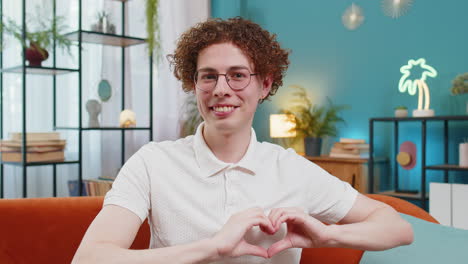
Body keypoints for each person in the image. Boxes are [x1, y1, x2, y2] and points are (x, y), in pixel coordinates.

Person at [72, 17, 413, 264]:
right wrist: (213, 246)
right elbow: (89, 258)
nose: (221, 89)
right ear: (194, 85)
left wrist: (328, 235)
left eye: (237, 75)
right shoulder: (152, 162)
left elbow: (398, 229)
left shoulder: (291, 168)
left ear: (264, 85)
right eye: (209, 76)